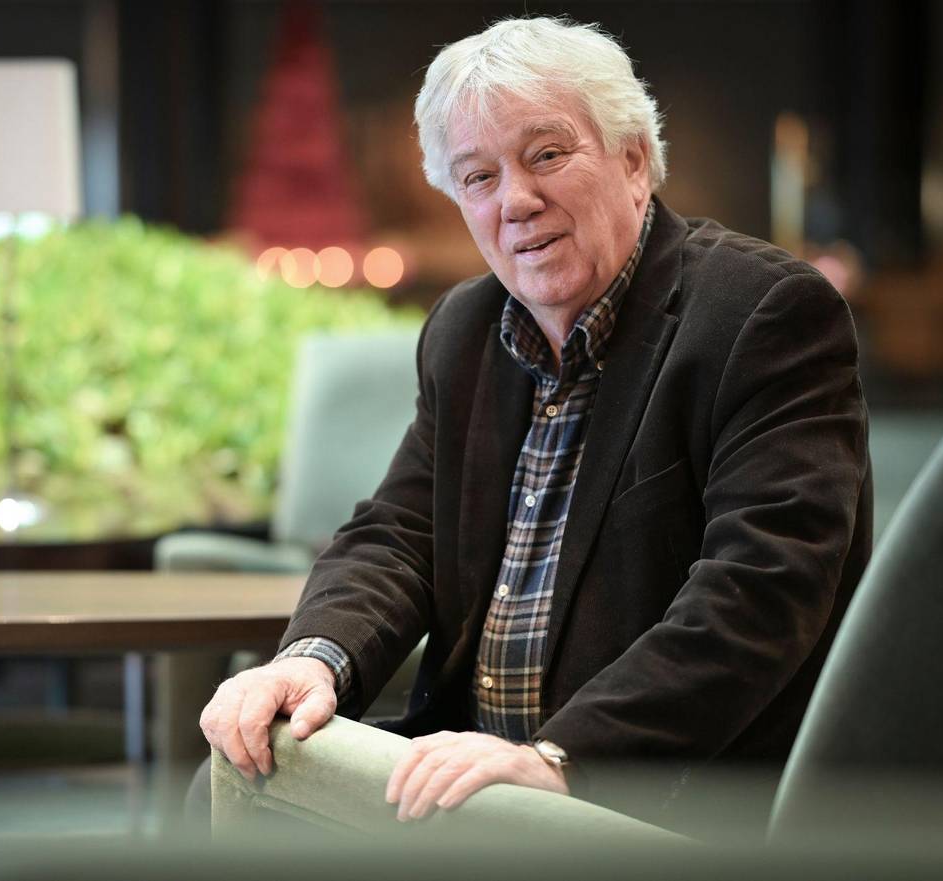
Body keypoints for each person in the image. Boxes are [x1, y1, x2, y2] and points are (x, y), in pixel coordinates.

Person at [200, 16, 872, 825]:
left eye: (547, 155)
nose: (516, 201)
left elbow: (760, 590)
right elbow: (399, 534)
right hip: (470, 771)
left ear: (634, 159)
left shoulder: (763, 315)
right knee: (244, 766)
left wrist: (562, 756)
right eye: (478, 176)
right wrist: (314, 659)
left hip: (651, 794)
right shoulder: (465, 329)